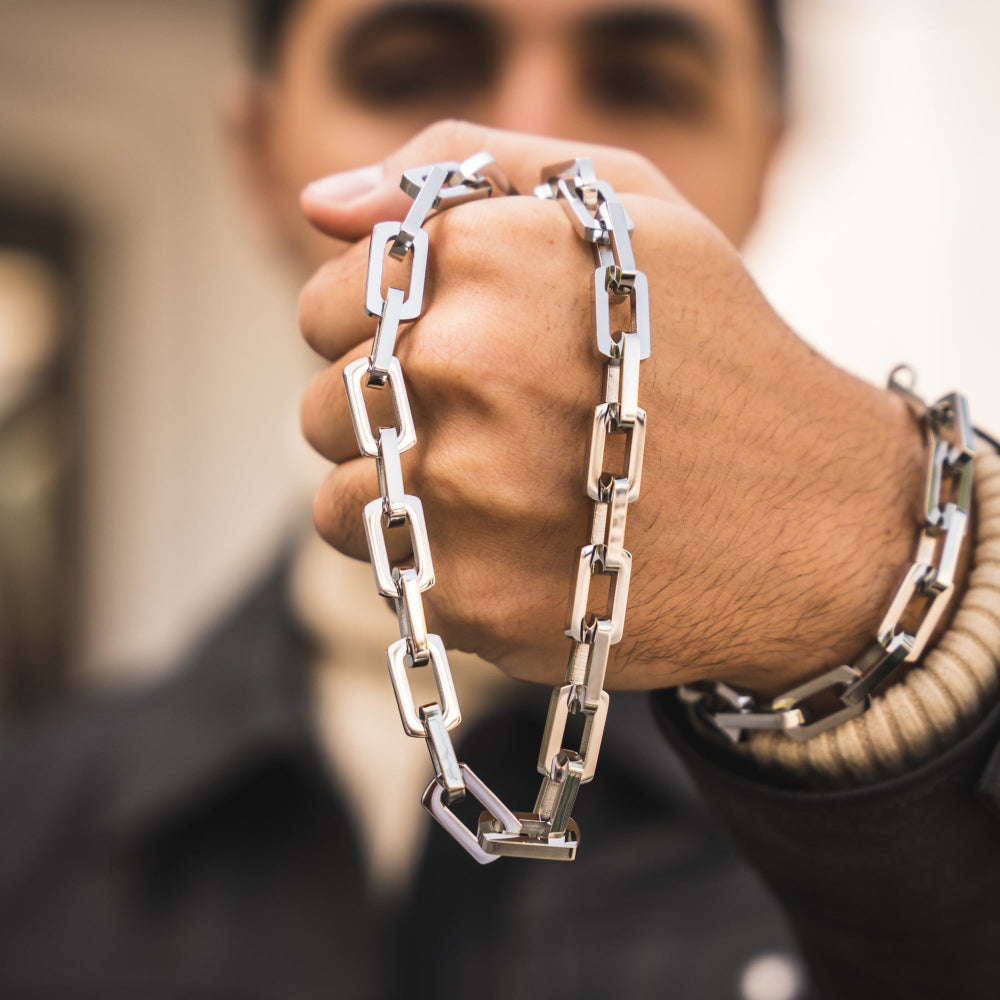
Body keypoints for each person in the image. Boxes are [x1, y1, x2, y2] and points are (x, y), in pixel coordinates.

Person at [1, 1, 999, 998]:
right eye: (409, 68)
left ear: (766, 159)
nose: (528, 158)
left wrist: (869, 560)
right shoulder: (29, 837)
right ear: (263, 157)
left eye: (642, 82)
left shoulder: (909, 779)